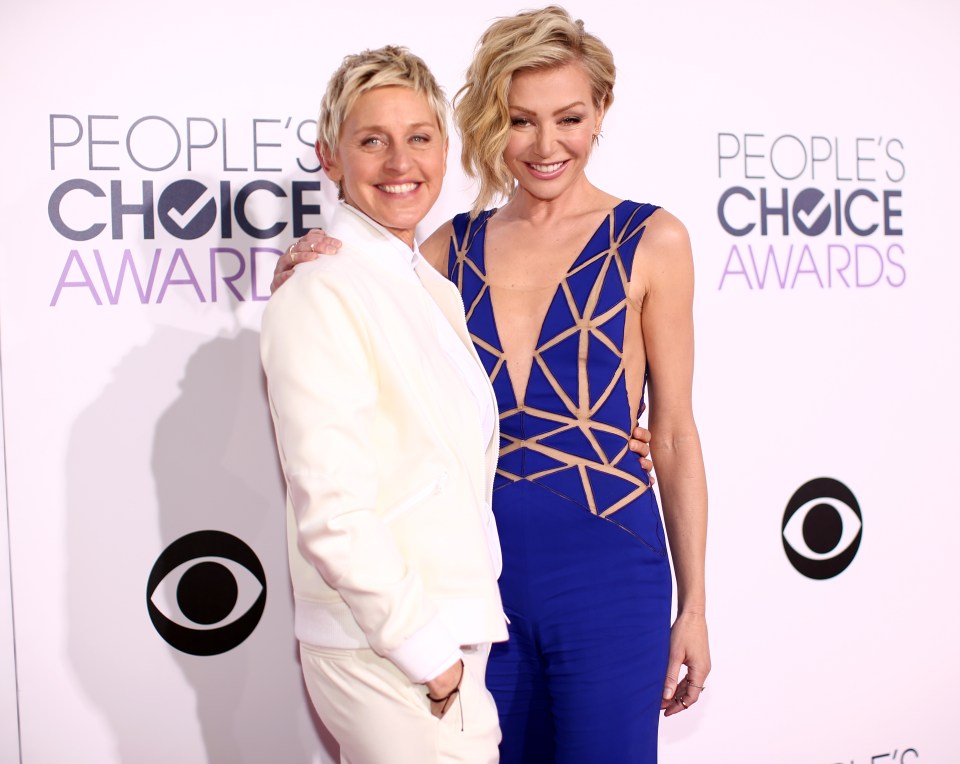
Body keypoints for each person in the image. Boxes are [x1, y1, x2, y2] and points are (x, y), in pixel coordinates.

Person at [276, 7, 711, 762]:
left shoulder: (654, 239)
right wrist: (309, 262)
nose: (547, 146)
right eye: (519, 120)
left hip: (610, 573)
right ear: (487, 120)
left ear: (601, 112)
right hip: (476, 591)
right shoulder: (446, 249)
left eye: (569, 118)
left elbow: (672, 431)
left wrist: (696, 605)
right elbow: (365, 326)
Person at [260, 45, 509, 764]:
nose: (401, 162)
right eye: (373, 140)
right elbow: (331, 504)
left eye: (419, 137)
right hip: (392, 651)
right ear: (330, 158)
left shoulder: (427, 287)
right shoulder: (320, 289)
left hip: (434, 638)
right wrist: (430, 657)